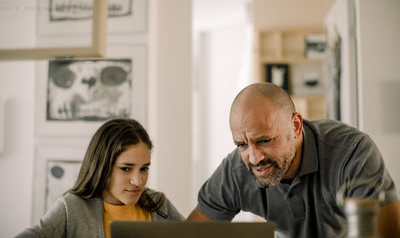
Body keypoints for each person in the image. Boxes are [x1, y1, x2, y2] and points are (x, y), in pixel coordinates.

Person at [187, 82, 400, 238]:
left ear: (296, 126)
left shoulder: (352, 152)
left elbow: (389, 233)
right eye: (241, 145)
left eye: (264, 140)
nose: (254, 158)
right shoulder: (235, 171)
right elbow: (191, 234)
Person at [17, 118, 184, 238]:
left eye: (144, 169)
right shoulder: (72, 208)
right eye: (126, 168)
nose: (138, 181)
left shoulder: (159, 205)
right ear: (103, 166)